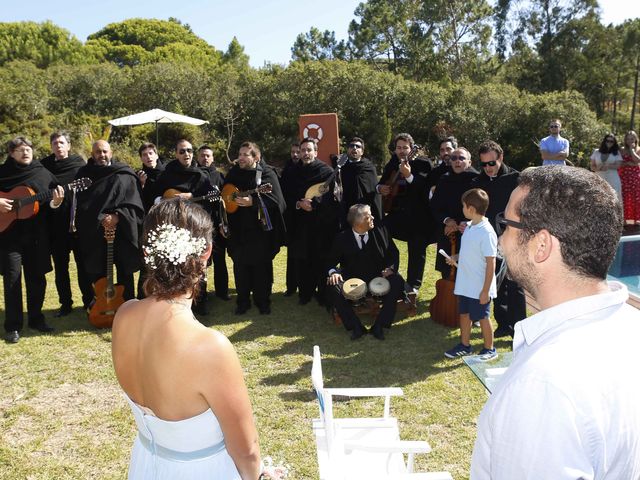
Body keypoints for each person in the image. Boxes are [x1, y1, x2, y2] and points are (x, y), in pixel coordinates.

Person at [471, 166, 640, 479]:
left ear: (541, 246)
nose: (502, 239)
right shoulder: (631, 327)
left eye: (506, 224)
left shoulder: (542, 385)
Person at [112, 198, 284, 480]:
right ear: (206, 253)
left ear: (147, 252)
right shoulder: (208, 346)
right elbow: (247, 451)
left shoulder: (124, 314)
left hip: (146, 463)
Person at [1, 137, 65, 343]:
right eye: (20, 150)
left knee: (37, 277)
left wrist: (56, 202)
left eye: (28, 149)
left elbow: (54, 204)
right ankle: (12, 326)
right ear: (11, 153)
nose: (26, 152)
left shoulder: (42, 173)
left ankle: (36, 319)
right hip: (9, 236)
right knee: (12, 278)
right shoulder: (2, 172)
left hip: (36, 235)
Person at [75, 140, 144, 302]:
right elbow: (81, 205)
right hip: (95, 232)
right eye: (98, 152)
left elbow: (135, 202)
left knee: (124, 271)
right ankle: (103, 304)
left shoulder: (124, 173)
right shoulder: (84, 176)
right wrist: (101, 219)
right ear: (92, 155)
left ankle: (127, 304)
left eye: (105, 151)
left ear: (111, 153)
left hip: (122, 231)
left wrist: (118, 216)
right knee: (99, 271)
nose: (102, 155)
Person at [153, 139, 216, 314]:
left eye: (189, 150)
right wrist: (169, 201)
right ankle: (177, 301)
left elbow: (211, 199)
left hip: (194, 228)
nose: (186, 154)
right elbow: (155, 197)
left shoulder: (200, 176)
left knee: (198, 266)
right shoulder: (167, 174)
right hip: (173, 228)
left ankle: (200, 303)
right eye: (182, 151)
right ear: (176, 154)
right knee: (177, 265)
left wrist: (193, 196)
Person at [222, 142, 285, 315]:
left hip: (259, 231)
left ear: (255, 157)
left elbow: (277, 201)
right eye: (240, 154)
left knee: (261, 268)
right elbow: (224, 198)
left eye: (245, 155)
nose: (240, 158)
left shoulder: (266, 174)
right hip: (238, 230)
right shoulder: (233, 173)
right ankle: (242, 302)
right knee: (240, 266)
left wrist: (254, 202)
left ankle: (263, 301)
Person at [471, 141, 526, 339]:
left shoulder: (517, 179)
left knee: (515, 285)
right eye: (484, 164)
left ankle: (518, 329)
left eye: (492, 163)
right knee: (497, 283)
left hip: (514, 239)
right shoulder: (479, 181)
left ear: (501, 158)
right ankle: (503, 324)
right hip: (490, 240)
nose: (488, 168)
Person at [326, 204, 404, 341]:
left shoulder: (381, 231)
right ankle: (356, 327)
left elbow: (393, 253)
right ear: (359, 222)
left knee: (397, 281)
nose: (373, 217)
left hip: (379, 277)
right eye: (369, 216)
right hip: (352, 281)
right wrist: (333, 273)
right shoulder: (342, 238)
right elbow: (330, 260)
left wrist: (391, 268)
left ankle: (379, 325)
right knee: (333, 285)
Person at [41, 131, 94, 316]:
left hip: (77, 225)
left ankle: (89, 301)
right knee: (61, 269)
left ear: (69, 145)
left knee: (83, 266)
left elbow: (90, 190)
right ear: (51, 146)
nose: (58, 146)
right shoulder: (44, 167)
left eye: (62, 142)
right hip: (56, 227)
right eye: (55, 143)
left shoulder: (79, 164)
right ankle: (65, 304)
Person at [443, 188, 497, 360]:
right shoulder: (469, 227)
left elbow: (491, 263)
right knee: (464, 315)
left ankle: (490, 349)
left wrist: (485, 290)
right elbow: (468, 252)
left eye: (463, 206)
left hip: (480, 286)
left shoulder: (487, 232)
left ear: (471, 209)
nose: (462, 209)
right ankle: (465, 345)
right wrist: (455, 257)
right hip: (465, 283)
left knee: (482, 317)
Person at [378, 133, 434, 293]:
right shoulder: (392, 163)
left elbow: (424, 190)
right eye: (398, 148)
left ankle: (412, 287)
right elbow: (382, 183)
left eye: (405, 148)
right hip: (398, 215)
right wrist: (380, 188)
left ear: (411, 149)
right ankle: (391, 268)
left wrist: (409, 175)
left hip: (420, 217)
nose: (402, 151)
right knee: (379, 230)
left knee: (416, 248)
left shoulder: (423, 163)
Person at [289, 137, 340, 306]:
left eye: (309, 150)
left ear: (316, 152)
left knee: (321, 259)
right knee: (302, 259)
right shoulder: (292, 172)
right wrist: (298, 203)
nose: (305, 153)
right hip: (300, 225)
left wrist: (315, 205)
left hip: (321, 224)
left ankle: (323, 294)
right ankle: (305, 293)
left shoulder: (326, 172)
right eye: (303, 150)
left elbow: (333, 197)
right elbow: (286, 194)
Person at [430, 147, 478, 279]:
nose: (457, 161)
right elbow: (435, 206)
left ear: (469, 162)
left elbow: (481, 208)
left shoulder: (477, 180)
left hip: (468, 231)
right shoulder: (444, 179)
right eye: (454, 158)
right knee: (447, 271)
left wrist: (466, 223)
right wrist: (446, 220)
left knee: (467, 272)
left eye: (461, 158)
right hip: (447, 231)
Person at [197, 144, 230, 302]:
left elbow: (226, 201)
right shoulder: (194, 176)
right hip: (199, 226)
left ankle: (222, 292)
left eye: (208, 155)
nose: (205, 158)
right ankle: (201, 294)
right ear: (198, 157)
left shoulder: (220, 176)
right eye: (202, 155)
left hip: (217, 225)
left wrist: (224, 223)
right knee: (201, 262)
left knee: (220, 260)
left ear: (213, 158)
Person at [337, 137, 382, 227]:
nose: (354, 148)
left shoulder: (368, 168)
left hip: (365, 209)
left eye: (358, 146)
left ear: (362, 151)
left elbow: (373, 191)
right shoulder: (341, 167)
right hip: (346, 208)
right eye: (351, 146)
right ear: (348, 149)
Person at [279, 142, 300, 297]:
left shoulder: (306, 170)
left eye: (297, 152)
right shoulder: (287, 170)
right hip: (291, 217)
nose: (295, 155)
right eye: (293, 152)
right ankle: (291, 286)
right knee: (292, 254)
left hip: (306, 216)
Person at [590, 133, 623, 202]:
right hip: (599, 178)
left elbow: (618, 165)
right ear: (604, 141)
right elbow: (592, 167)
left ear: (614, 143)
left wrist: (608, 166)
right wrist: (598, 168)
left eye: (611, 141)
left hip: (613, 179)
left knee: (614, 200)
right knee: (597, 199)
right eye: (607, 141)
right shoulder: (596, 152)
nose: (609, 143)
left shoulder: (617, 153)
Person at [136, 142, 166, 213]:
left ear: (156, 155)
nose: (148, 157)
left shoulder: (168, 170)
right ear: (141, 158)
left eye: (150, 153)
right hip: (149, 213)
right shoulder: (139, 175)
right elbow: (136, 199)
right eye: (144, 155)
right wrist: (141, 184)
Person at [619, 130, 640, 227]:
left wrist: (632, 150)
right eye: (628, 139)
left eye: (632, 138)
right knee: (624, 197)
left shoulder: (638, 149)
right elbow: (619, 163)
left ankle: (636, 220)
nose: (630, 140)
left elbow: (637, 160)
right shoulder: (621, 150)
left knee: (636, 197)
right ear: (625, 140)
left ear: (635, 139)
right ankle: (624, 220)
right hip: (623, 177)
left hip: (635, 177)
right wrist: (630, 163)